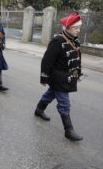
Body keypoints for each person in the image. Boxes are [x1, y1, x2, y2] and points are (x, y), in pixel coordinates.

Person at [35, 12, 83, 141]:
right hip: (58, 77)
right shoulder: (57, 41)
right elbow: (47, 61)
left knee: (50, 94)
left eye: (79, 28)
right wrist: (44, 77)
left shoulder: (75, 41)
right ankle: (69, 130)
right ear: (67, 28)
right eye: (75, 28)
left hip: (68, 77)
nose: (78, 30)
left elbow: (77, 59)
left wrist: (78, 73)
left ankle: (39, 110)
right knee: (64, 103)